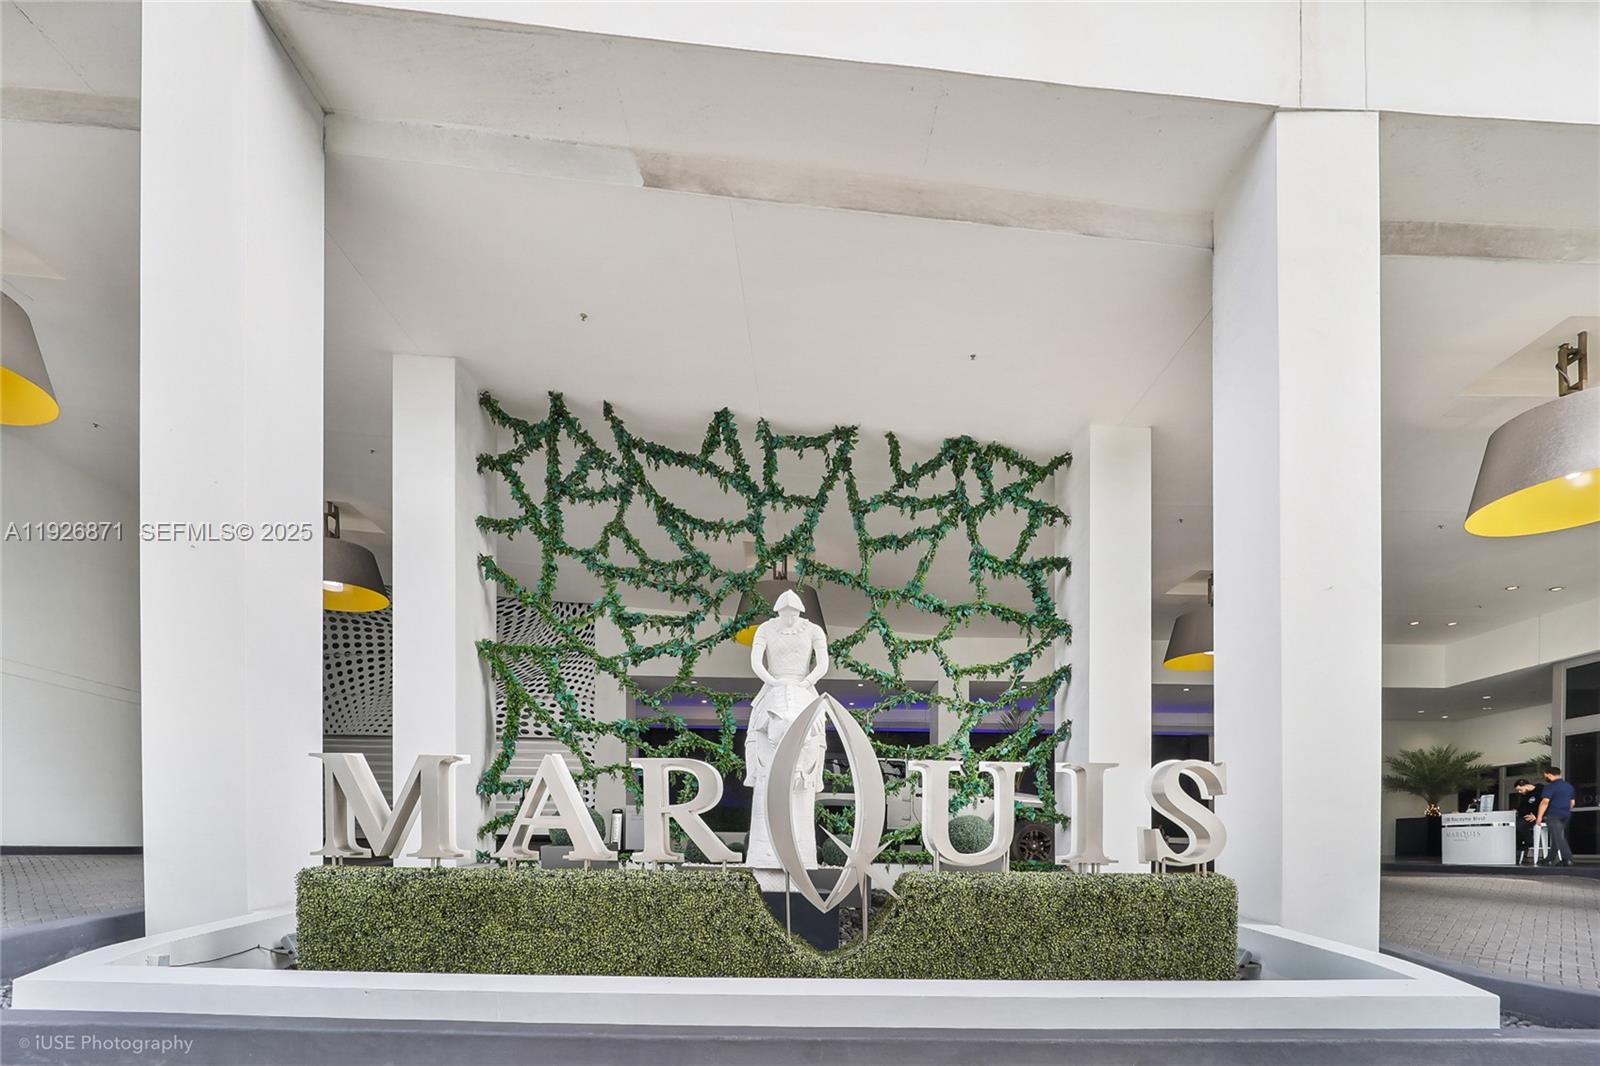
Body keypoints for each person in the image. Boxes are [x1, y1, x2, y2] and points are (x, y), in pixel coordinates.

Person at [1535, 766, 1576, 867]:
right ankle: (1549, 859)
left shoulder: (1550, 787)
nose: (1545, 777)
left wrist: (1539, 817)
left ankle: (1568, 859)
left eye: (1545, 775)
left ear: (1549, 774)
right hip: (1566, 815)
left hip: (1553, 814)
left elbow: (1544, 802)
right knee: (1557, 836)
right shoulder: (1569, 787)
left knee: (1558, 837)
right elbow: (1572, 803)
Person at [1512, 778, 1541, 863]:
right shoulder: (1524, 795)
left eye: (1520, 789)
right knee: (1513, 826)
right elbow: (1522, 807)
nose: (1519, 792)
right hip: (1525, 816)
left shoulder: (1540, 790)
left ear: (1525, 785)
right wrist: (1516, 810)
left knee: (1520, 825)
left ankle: (1530, 841)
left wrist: (1537, 816)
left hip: (1536, 816)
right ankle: (1518, 848)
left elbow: (1545, 804)